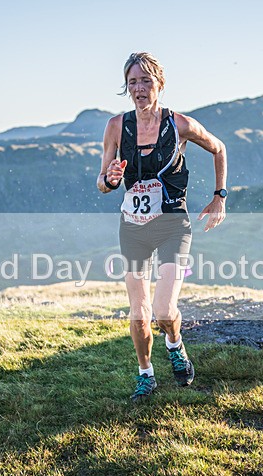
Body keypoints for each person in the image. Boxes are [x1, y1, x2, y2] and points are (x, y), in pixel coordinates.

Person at [96, 52, 227, 401]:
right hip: (133, 227)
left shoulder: (179, 124)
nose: (139, 88)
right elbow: (101, 182)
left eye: (145, 81)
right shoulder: (115, 126)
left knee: (164, 311)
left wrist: (219, 196)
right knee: (139, 315)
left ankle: (175, 343)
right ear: (127, 86)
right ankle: (146, 374)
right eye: (133, 82)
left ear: (160, 84)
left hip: (172, 225)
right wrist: (109, 180)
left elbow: (219, 148)